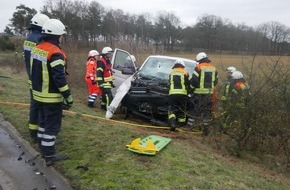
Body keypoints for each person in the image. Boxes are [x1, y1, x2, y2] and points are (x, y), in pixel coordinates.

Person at [30, 18, 72, 166]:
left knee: (43, 123)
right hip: (51, 97)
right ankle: (49, 155)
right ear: (56, 35)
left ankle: (43, 146)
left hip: (38, 94)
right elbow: (59, 78)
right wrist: (68, 96)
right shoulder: (55, 53)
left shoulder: (38, 48)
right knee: (52, 126)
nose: (62, 38)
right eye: (61, 35)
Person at [23, 13, 50, 142]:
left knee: (35, 104)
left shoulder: (29, 37)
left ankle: (33, 130)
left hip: (31, 76)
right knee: (40, 105)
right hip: (39, 77)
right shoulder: (38, 39)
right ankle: (38, 133)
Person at [189, 52, 218, 135]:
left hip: (198, 94)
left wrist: (190, 89)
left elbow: (194, 81)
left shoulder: (198, 67)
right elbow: (216, 81)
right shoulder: (213, 68)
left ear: (199, 60)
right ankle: (206, 129)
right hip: (209, 94)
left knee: (194, 110)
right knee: (206, 111)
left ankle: (189, 127)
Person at [168, 60, 190, 131]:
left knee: (172, 109)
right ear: (182, 66)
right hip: (182, 94)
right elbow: (188, 84)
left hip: (172, 94)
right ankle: (181, 125)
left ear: (175, 66)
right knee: (182, 110)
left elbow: (169, 82)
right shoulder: (185, 72)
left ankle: (173, 124)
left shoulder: (171, 72)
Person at [97, 46, 114, 111]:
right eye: (109, 53)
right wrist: (100, 83)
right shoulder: (101, 62)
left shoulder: (107, 61)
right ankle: (109, 110)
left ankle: (103, 107)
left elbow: (109, 72)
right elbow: (99, 73)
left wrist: (111, 82)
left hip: (108, 83)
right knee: (109, 96)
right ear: (105, 54)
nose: (110, 55)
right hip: (104, 83)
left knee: (104, 96)